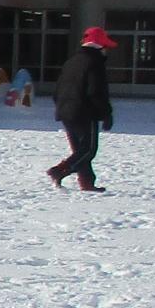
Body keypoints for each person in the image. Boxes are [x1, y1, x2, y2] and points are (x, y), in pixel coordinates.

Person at [47, 27, 117, 193]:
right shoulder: (95, 63)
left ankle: (86, 182)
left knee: (80, 150)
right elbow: (95, 91)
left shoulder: (71, 61)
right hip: (84, 112)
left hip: (66, 111)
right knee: (88, 150)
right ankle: (59, 170)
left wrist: (62, 107)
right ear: (101, 46)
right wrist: (106, 113)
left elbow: (58, 90)